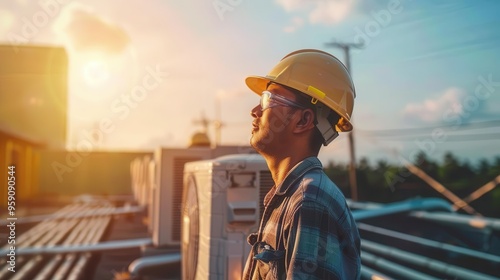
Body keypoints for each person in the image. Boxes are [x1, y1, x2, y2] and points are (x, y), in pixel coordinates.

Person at [242, 49, 361, 280]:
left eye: (268, 100)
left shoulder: (309, 201)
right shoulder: (288, 196)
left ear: (304, 120)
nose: (255, 111)